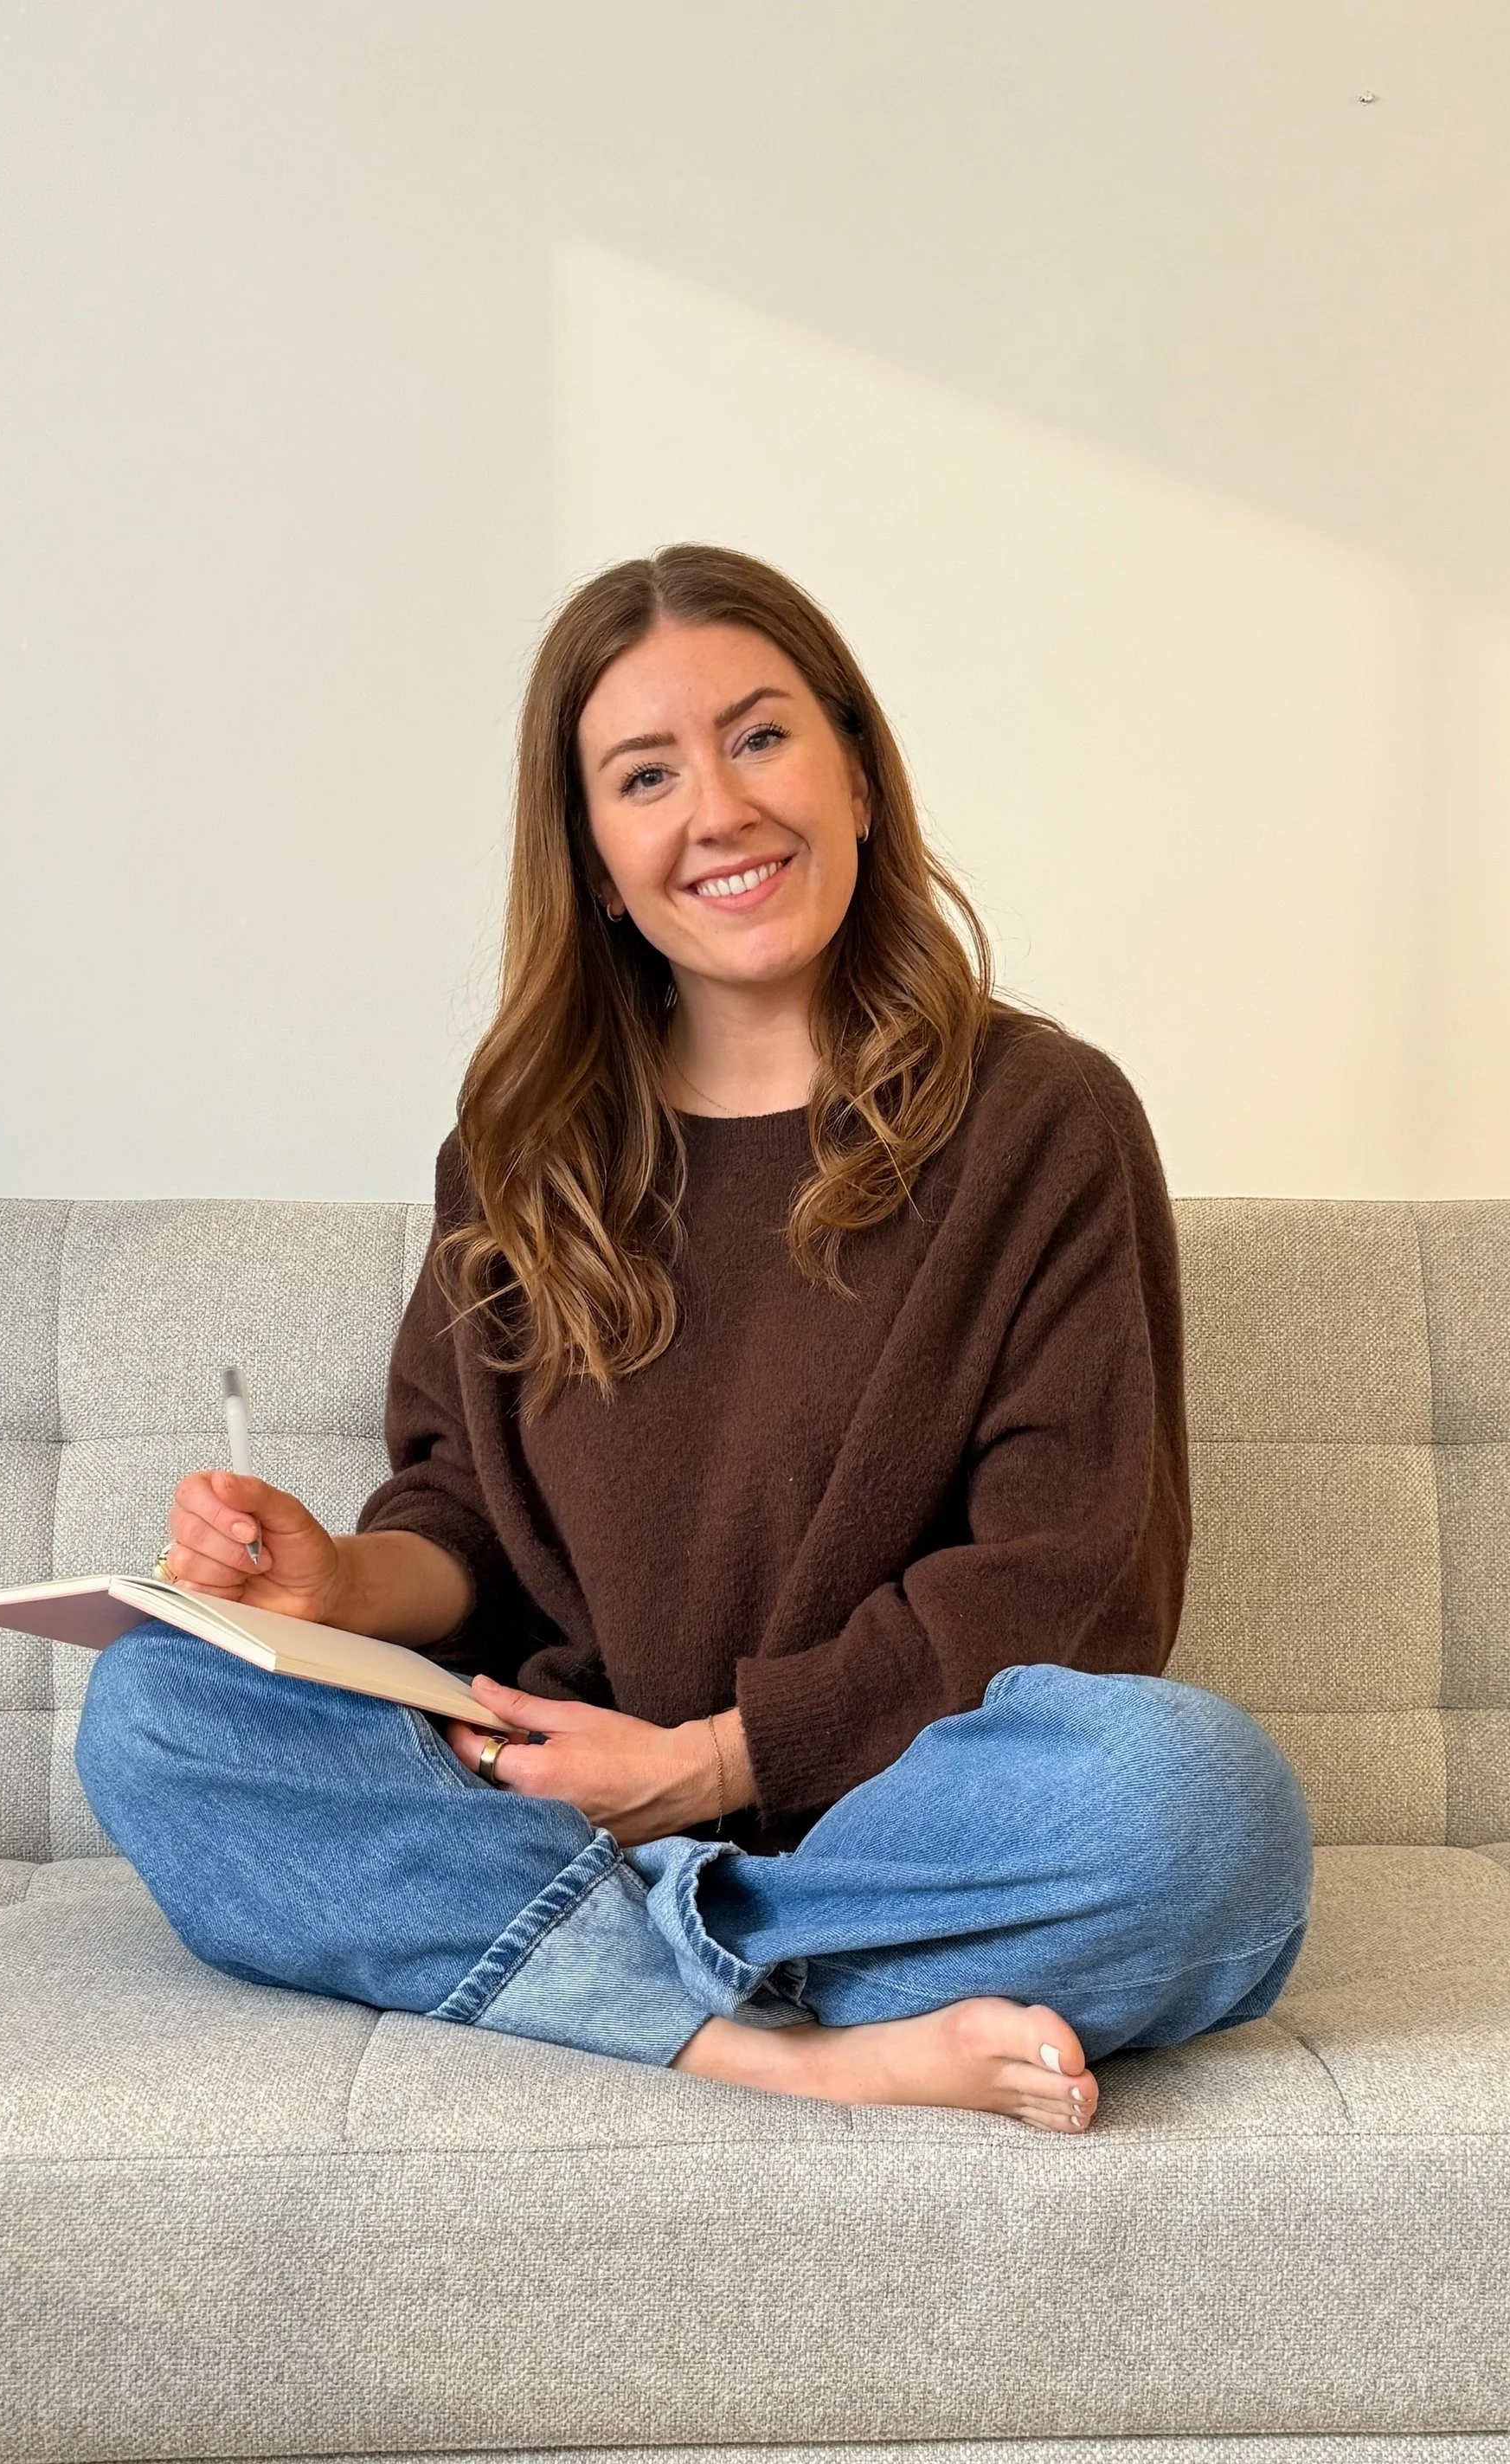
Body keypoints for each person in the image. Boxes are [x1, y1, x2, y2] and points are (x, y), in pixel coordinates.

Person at [75, 544, 1311, 2134]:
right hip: (552, 1801)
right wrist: (337, 1587)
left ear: (858, 774)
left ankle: (592, 1979)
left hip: (897, 1821)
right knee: (159, 1712)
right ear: (595, 855)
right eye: (646, 773)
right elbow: (463, 1519)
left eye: (760, 736)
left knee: (1197, 1807)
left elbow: (1063, 1581)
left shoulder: (1042, 1122)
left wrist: (708, 1768)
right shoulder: (521, 1141)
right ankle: (793, 2046)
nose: (718, 810)